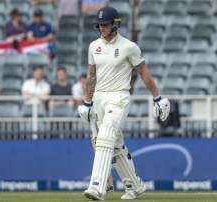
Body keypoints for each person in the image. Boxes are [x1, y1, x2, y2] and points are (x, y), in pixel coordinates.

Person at [78, 6, 170, 200]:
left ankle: (97, 186)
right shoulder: (94, 46)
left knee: (105, 136)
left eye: (105, 25)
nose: (102, 28)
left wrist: (157, 97)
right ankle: (135, 186)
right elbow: (91, 76)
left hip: (119, 97)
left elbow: (143, 72)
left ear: (115, 25)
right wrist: (87, 102)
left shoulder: (129, 47)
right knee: (116, 144)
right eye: (100, 25)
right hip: (99, 99)